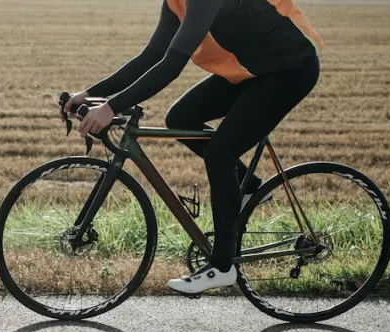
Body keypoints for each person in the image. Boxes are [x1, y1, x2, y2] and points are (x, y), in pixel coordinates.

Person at [63, 0, 323, 294]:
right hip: (253, 68)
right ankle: (247, 183)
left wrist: (111, 108)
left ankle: (223, 266)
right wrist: (91, 94)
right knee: (181, 117)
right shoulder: (175, 1)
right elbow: (152, 55)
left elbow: (172, 65)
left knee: (220, 153)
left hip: (288, 69)